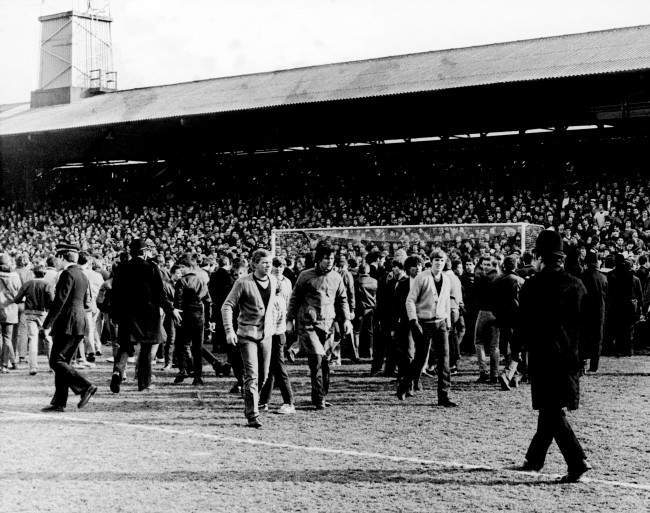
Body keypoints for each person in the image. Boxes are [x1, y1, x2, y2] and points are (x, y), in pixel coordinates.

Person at [517, 230, 591, 483]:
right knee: (551, 408)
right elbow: (587, 324)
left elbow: (523, 325)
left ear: (539, 256)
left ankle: (577, 460)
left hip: (543, 357)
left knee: (551, 409)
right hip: (570, 357)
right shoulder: (577, 285)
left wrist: (515, 354)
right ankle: (534, 459)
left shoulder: (532, 285)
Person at [287, 243, 352, 410]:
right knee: (316, 358)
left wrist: (346, 320)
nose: (329, 261)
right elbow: (294, 298)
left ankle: (322, 394)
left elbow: (342, 299)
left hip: (328, 324)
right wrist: (289, 319)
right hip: (308, 324)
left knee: (324, 361)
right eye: (326, 258)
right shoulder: (305, 276)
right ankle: (319, 399)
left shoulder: (337, 277)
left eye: (331, 258)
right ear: (318, 259)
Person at [110, 239, 177, 393]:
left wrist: (115, 315)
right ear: (145, 251)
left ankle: (118, 372)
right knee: (146, 349)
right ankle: (143, 383)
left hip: (127, 314)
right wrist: (170, 309)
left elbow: (116, 293)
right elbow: (160, 293)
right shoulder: (152, 268)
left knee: (125, 347)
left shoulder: (122, 267)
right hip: (148, 315)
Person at [222, 249, 279, 428]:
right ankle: (252, 414)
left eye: (269, 262)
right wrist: (229, 330)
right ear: (254, 264)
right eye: (264, 262)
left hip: (267, 335)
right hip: (247, 335)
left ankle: (250, 397)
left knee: (264, 376)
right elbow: (227, 306)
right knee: (252, 375)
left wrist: (278, 324)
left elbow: (274, 306)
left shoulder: (274, 281)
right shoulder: (243, 282)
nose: (268, 265)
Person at [41, 243, 97, 412]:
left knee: (56, 361)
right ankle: (59, 402)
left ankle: (85, 386)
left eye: (57, 258)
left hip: (67, 323)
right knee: (63, 363)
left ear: (62, 258)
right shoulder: (82, 274)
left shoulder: (67, 274)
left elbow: (60, 301)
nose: (56, 261)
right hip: (79, 321)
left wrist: (47, 324)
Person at [402, 249, 458, 407]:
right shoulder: (422, 278)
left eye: (442, 261)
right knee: (420, 359)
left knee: (444, 360)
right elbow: (410, 300)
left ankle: (444, 396)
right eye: (436, 261)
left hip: (440, 322)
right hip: (424, 323)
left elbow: (446, 301)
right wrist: (413, 320)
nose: (439, 263)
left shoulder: (447, 279)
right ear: (431, 262)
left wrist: (447, 322)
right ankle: (405, 384)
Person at [259, 256, 296, 414]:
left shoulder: (275, 300)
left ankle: (289, 402)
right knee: (271, 368)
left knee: (278, 368)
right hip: (276, 334)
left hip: (275, 335)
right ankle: (263, 401)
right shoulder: (277, 298)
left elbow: (272, 321)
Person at [173, 253, 213, 386]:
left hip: (185, 315)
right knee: (197, 347)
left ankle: (183, 370)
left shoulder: (181, 281)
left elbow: (177, 301)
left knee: (181, 345)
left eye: (182, 267)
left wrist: (176, 316)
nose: (181, 270)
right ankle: (198, 376)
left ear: (187, 267)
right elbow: (208, 301)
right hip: (199, 316)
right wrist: (207, 320)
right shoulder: (201, 281)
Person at [12, 262, 54, 375]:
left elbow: (16, 299)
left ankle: (33, 367)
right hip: (43, 313)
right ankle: (52, 366)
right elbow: (51, 302)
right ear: (44, 273)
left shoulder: (28, 284)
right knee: (48, 339)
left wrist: (25, 300)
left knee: (33, 339)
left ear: (33, 273)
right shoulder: (47, 285)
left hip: (29, 313)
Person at [494, 255, 525, 390]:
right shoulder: (520, 281)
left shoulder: (497, 280)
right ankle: (508, 374)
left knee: (507, 347)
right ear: (516, 265)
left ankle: (514, 377)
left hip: (502, 319)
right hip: (517, 319)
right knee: (518, 349)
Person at [579, 251, 607, 373]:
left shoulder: (582, 277)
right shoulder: (603, 277)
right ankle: (594, 366)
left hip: (584, 311)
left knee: (584, 337)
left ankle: (583, 363)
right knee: (597, 339)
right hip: (599, 311)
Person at [474, 256, 500, 383]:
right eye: (484, 264)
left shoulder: (481, 278)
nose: (485, 266)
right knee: (494, 345)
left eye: (487, 264)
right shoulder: (500, 278)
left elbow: (476, 294)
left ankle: (483, 371)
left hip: (484, 311)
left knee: (479, 342)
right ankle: (494, 374)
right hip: (496, 313)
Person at [0, 254, 21, 373]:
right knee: (7, 338)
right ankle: (4, 364)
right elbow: (19, 292)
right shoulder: (15, 276)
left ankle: (7, 362)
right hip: (10, 309)